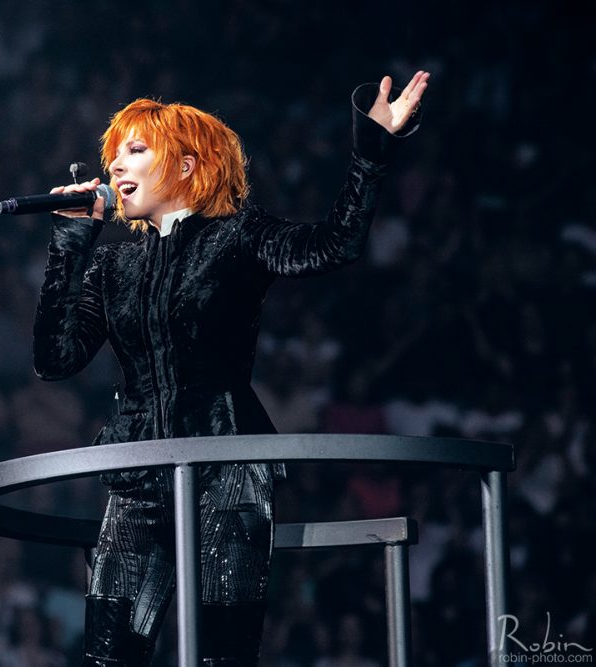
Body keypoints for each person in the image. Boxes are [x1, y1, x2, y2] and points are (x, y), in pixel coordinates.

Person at [32, 71, 429, 666]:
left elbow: (334, 245)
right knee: (110, 654)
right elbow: (55, 360)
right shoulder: (112, 268)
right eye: (113, 154)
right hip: (137, 475)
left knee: (223, 654)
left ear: (187, 165)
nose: (114, 165)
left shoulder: (237, 236)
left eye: (135, 150)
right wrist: (69, 241)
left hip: (227, 466)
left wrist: (371, 151)